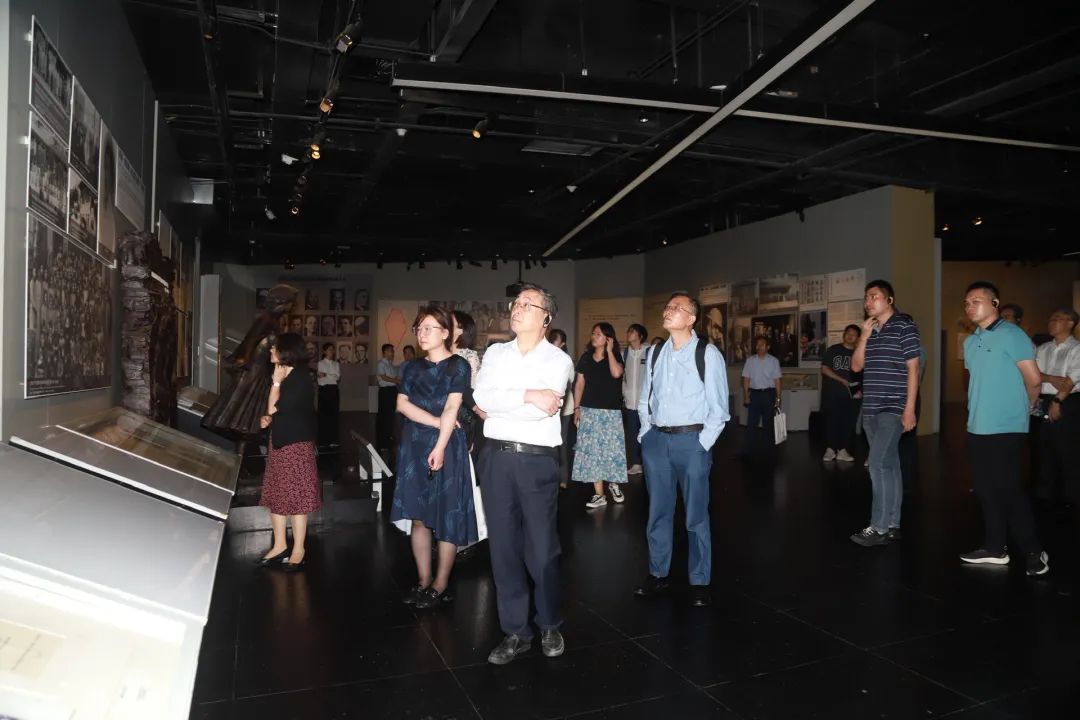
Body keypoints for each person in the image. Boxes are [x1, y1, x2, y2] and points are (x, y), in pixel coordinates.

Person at [473, 283, 574, 665]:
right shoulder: (496, 353)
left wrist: (510, 400)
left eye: (528, 304)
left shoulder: (558, 360)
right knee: (503, 548)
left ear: (546, 317)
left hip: (536, 461)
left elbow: (538, 412)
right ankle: (515, 630)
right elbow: (483, 398)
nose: (517, 308)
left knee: (543, 549)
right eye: (516, 303)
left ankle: (549, 623)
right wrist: (529, 394)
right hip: (495, 459)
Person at [635, 292, 729, 607]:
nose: (668, 310)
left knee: (696, 514)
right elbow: (645, 397)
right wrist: (646, 433)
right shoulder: (655, 352)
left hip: (692, 442)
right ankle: (657, 573)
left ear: (691, 319)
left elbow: (719, 408)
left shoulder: (707, 353)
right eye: (668, 306)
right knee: (658, 512)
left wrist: (702, 444)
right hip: (657, 442)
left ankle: (700, 579)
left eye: (677, 307)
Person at [959, 282, 1048, 575]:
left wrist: (1025, 408)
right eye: (967, 302)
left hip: (1007, 426)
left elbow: (1033, 380)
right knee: (985, 489)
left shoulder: (1012, 334)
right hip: (977, 426)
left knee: (1009, 490)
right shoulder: (970, 342)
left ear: (994, 303)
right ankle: (995, 548)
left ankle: (1034, 551)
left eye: (976, 300)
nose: (970, 306)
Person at [390, 306, 476, 608]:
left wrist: (439, 445)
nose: (422, 333)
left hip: (447, 446)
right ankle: (423, 580)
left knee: (447, 516)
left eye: (429, 328)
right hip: (415, 444)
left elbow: (453, 406)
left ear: (445, 333)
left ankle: (440, 584)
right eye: (419, 328)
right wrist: (437, 422)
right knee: (418, 518)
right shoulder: (411, 367)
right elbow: (402, 405)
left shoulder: (458, 366)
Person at [850, 280, 920, 547]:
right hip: (871, 409)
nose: (868, 302)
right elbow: (856, 367)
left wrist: (909, 409)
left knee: (878, 464)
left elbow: (913, 369)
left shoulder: (904, 325)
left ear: (889, 300)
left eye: (874, 296)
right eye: (866, 297)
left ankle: (878, 527)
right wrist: (864, 336)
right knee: (890, 465)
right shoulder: (870, 330)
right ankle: (893, 524)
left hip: (894, 407)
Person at [257, 333, 319, 570]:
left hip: (295, 445)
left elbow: (275, 408)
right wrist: (269, 418)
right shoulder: (286, 375)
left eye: (275, 348)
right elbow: (276, 412)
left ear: (286, 351)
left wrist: (275, 384)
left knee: (296, 496)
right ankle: (280, 544)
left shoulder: (298, 378)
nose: (271, 351)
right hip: (281, 441)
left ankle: (299, 548)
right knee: (278, 493)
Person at [573, 322, 627, 508]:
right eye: (593, 333)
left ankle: (614, 484)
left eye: (598, 334)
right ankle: (599, 494)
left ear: (608, 338)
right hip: (588, 410)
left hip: (611, 412)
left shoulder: (616, 356)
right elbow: (579, 384)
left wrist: (610, 351)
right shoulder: (586, 358)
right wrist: (577, 408)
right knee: (592, 452)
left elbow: (616, 373)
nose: (594, 336)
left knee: (612, 450)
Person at [1033, 307, 1080, 503]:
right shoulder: (1043, 348)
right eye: (1051, 319)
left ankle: (1071, 494)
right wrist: (1049, 378)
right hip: (1042, 398)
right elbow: (1033, 374)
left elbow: (1071, 379)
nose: (1051, 322)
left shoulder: (1076, 349)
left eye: (1057, 319)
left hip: (1067, 400)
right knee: (1043, 447)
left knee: (1067, 448)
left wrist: (1058, 401)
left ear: (1070, 323)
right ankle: (1044, 493)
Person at [820, 324, 861, 462]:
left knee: (848, 422)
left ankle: (842, 450)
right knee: (832, 421)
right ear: (844, 334)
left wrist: (861, 390)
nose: (850, 336)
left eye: (854, 334)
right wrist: (841, 380)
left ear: (858, 338)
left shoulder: (859, 353)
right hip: (833, 392)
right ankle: (830, 449)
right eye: (848, 333)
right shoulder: (833, 349)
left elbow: (863, 374)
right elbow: (824, 369)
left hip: (852, 394)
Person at [740, 336, 782, 455]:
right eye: (757, 345)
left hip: (769, 394)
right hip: (754, 394)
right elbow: (746, 379)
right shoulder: (750, 361)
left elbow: (777, 381)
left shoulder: (774, 361)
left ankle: (768, 450)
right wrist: (746, 396)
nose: (759, 347)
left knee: (768, 424)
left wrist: (778, 398)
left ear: (767, 347)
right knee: (751, 424)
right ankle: (748, 450)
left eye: (762, 344)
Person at [451, 310, 485, 452]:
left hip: (461, 415)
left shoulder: (469, 356)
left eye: (449, 322)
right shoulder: (438, 354)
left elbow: (473, 390)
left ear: (461, 330)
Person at [547, 328, 576, 489]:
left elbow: (570, 380)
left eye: (556, 341)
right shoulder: (543, 357)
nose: (552, 344)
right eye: (551, 340)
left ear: (563, 344)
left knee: (562, 442)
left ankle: (563, 478)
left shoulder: (565, 359)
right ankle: (551, 477)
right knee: (548, 441)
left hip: (564, 407)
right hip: (546, 406)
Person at [623, 323, 649, 475]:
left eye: (632, 331)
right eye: (628, 331)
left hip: (645, 404)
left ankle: (647, 463)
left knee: (646, 435)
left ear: (640, 335)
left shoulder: (649, 351)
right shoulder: (625, 353)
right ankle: (636, 463)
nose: (628, 333)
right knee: (632, 435)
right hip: (630, 403)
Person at [376, 344, 400, 454]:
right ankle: (382, 442)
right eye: (390, 351)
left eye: (393, 351)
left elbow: (394, 377)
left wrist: (397, 380)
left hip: (392, 391)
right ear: (384, 352)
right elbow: (383, 377)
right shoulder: (381, 364)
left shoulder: (391, 365)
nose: (392, 353)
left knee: (390, 416)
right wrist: (397, 381)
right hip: (385, 392)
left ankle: (389, 439)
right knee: (384, 416)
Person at [316, 343, 340, 446]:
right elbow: (321, 378)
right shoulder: (320, 363)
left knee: (334, 415)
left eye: (333, 349)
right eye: (330, 349)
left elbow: (337, 377)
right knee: (323, 416)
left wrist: (326, 375)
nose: (332, 351)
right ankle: (323, 441)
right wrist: (330, 376)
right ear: (324, 351)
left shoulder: (336, 364)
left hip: (334, 390)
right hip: (324, 390)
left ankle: (333, 440)